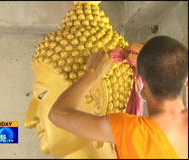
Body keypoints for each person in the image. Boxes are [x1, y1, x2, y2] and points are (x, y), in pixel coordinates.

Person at [48, 36, 188, 159]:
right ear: (186, 80)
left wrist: (92, 74)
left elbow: (57, 114)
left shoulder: (129, 130)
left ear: (139, 83)